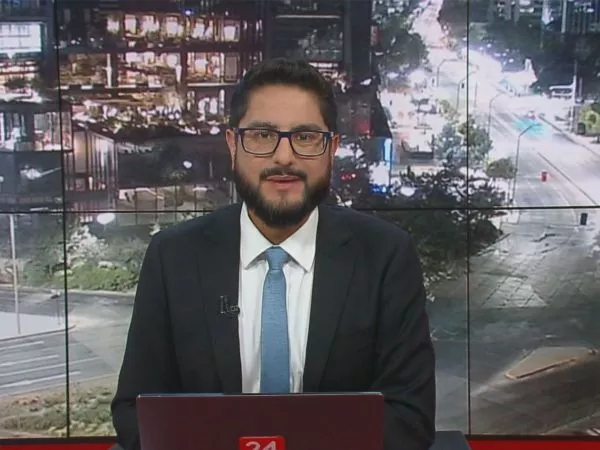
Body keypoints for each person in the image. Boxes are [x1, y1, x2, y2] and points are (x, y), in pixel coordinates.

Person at [111, 58, 435, 450]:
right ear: (233, 145)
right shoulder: (173, 257)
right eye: (263, 135)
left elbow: (409, 417)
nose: (284, 157)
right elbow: (135, 411)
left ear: (332, 148)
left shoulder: (385, 255)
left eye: (306, 137)